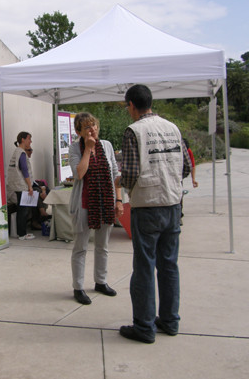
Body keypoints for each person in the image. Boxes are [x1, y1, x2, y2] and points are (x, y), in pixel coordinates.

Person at [116, 84, 192, 343]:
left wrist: (118, 181)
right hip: (173, 204)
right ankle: (170, 321)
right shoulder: (173, 128)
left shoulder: (133, 131)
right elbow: (186, 167)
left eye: (127, 107)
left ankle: (144, 326)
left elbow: (130, 173)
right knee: (169, 265)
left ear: (132, 106)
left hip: (147, 206)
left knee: (145, 266)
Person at [68, 113, 124, 305]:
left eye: (94, 125)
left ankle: (101, 281)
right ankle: (78, 287)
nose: (93, 130)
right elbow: (79, 174)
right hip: (84, 204)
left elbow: (115, 174)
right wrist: (87, 150)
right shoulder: (75, 148)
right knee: (80, 248)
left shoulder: (107, 145)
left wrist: (118, 200)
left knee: (103, 246)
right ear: (78, 132)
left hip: (105, 202)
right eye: (87, 127)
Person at [6, 131, 36, 240]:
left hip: (15, 185)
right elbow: (24, 170)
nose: (30, 141)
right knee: (23, 210)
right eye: (29, 139)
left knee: (21, 209)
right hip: (21, 186)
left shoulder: (17, 152)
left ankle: (21, 233)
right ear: (23, 139)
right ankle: (22, 234)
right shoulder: (21, 153)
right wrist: (30, 186)